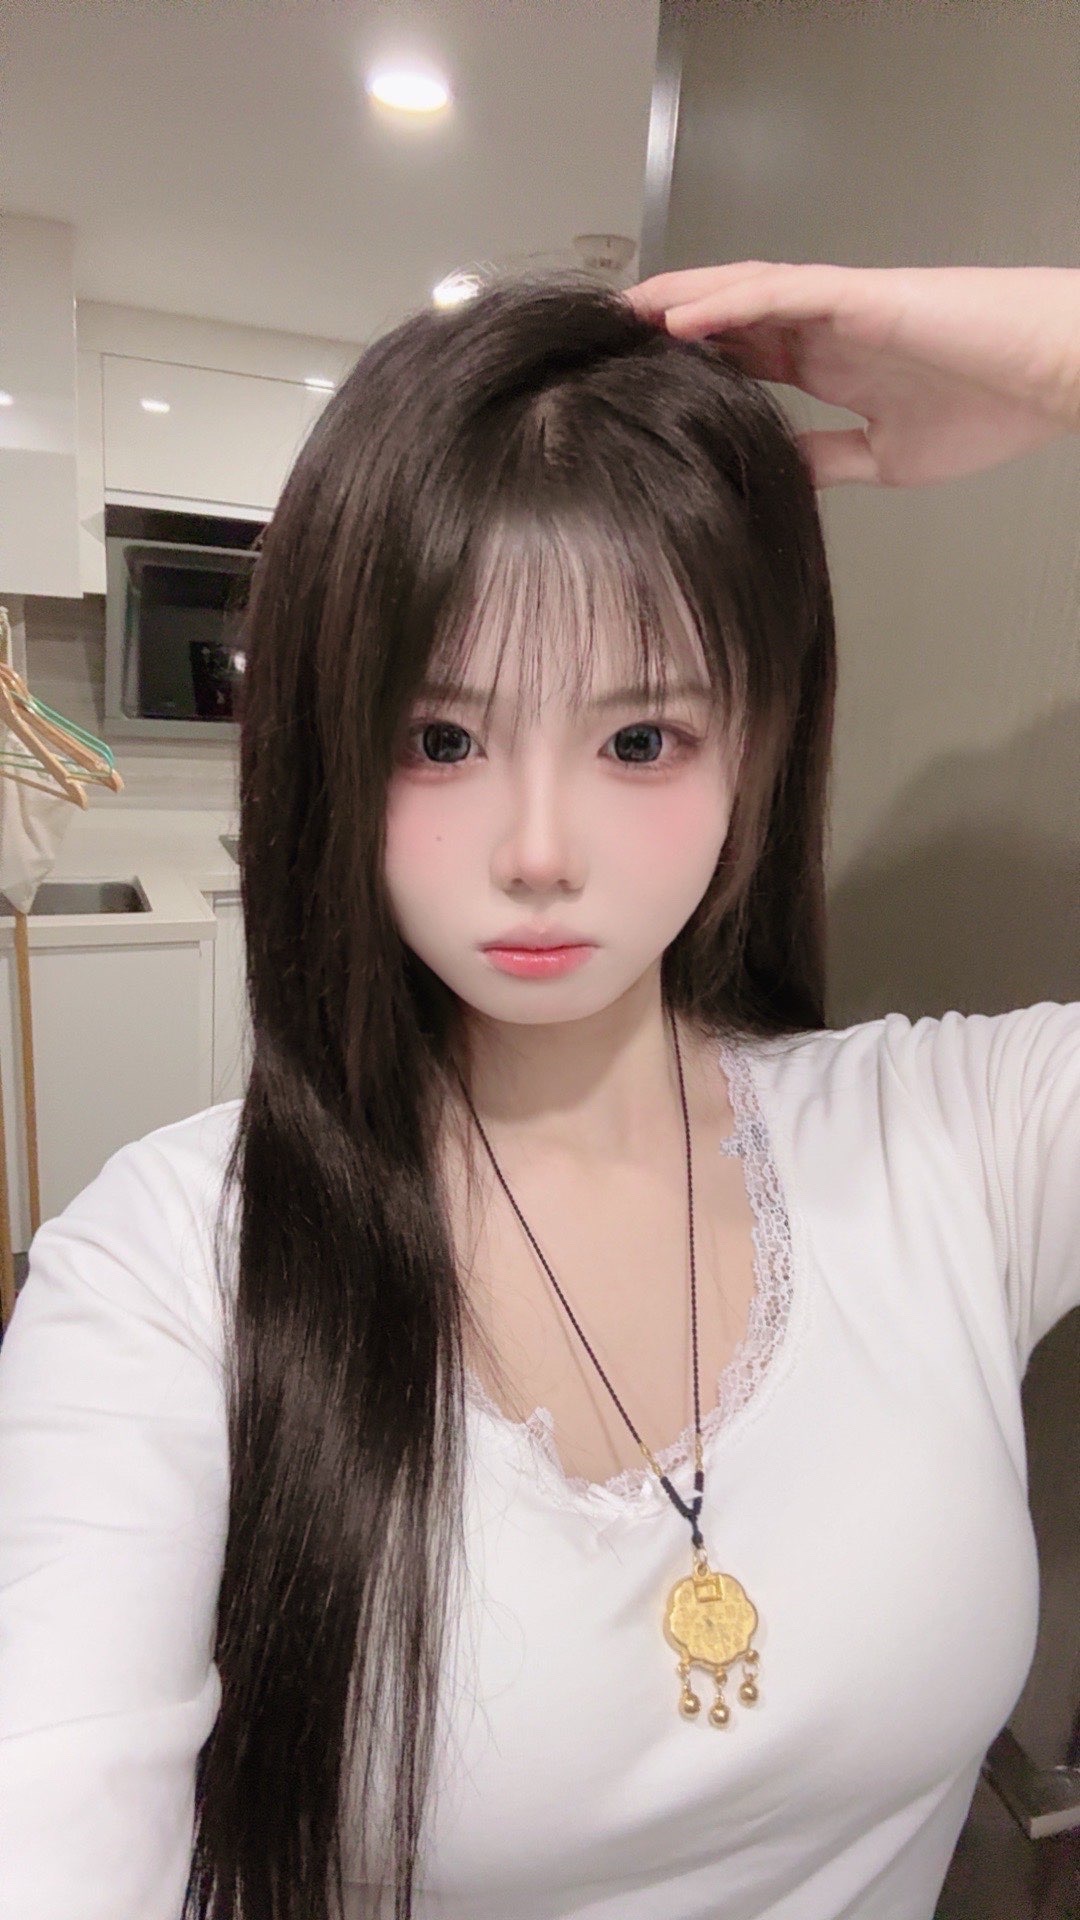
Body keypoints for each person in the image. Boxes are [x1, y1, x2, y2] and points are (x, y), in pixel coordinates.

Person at [0, 262, 1077, 1920]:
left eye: (640, 741)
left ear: (757, 744)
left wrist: (1066, 349)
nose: (538, 852)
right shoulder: (163, 1273)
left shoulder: (960, 1141)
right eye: (441, 739)